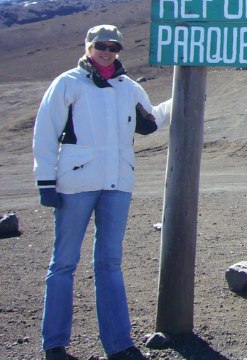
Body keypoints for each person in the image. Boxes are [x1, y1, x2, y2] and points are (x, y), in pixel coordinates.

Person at [33, 25, 172, 360]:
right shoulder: (68, 83)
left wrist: (182, 96)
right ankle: (55, 343)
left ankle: (119, 343)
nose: (107, 52)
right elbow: (46, 131)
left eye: (114, 46)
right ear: (89, 47)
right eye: (101, 46)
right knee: (64, 263)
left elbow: (149, 122)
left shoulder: (128, 87)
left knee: (109, 262)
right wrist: (45, 181)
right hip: (76, 184)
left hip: (118, 185)